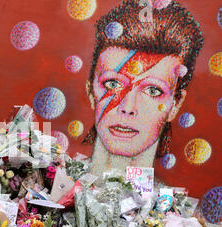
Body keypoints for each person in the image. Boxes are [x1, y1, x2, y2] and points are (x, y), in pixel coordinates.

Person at [82, 0, 203, 177]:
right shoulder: (54, 183)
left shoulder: (176, 204)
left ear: (175, 104)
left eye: (153, 90)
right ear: (91, 92)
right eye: (113, 84)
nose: (128, 107)